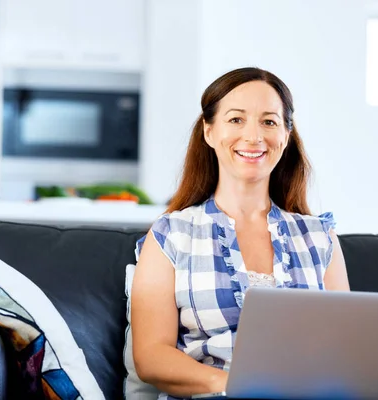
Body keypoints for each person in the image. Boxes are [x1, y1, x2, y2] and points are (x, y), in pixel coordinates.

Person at [131, 67, 351, 399]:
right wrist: (235, 385)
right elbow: (151, 358)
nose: (253, 136)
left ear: (286, 135)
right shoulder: (171, 235)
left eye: (269, 121)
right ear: (209, 131)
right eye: (236, 120)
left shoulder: (320, 237)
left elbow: (346, 347)